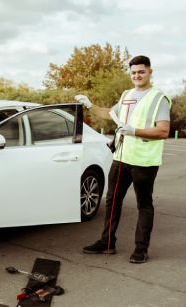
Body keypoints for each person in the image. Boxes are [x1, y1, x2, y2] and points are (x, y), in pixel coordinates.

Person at [75, 55, 172, 264]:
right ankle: (107, 242)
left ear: (150, 72)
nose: (137, 75)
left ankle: (140, 250)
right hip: (121, 157)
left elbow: (164, 130)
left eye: (141, 71)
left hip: (144, 162)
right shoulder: (127, 94)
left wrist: (134, 131)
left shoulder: (158, 98)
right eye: (134, 72)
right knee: (112, 201)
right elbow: (110, 114)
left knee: (144, 205)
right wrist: (90, 105)